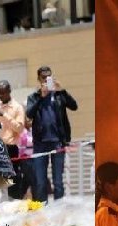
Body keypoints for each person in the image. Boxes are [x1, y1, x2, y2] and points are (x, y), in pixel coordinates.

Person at [26, 66, 77, 202]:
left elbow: (74, 106)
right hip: (40, 144)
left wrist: (62, 90)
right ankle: (43, 210)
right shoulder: (34, 97)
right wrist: (41, 97)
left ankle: (59, 212)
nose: (46, 79)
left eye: (49, 76)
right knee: (40, 182)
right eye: (43, 77)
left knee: (58, 182)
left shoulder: (59, 95)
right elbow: (29, 114)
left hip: (58, 142)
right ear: (38, 79)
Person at [0, 80, 27, 199]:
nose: (1, 96)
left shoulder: (17, 108)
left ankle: (15, 205)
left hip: (11, 148)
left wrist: (4, 115)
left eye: (3, 93)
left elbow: (20, 128)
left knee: (13, 180)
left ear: (9, 91)